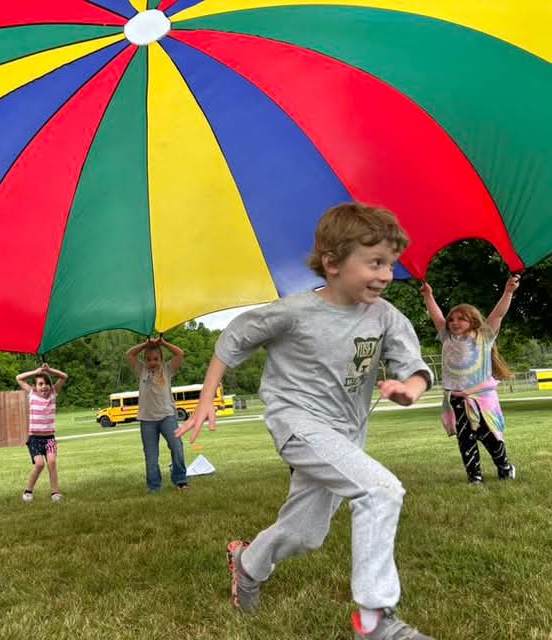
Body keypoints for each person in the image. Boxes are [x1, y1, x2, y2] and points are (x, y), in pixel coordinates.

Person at [176, 203, 435, 640]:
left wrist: (410, 389)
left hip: (346, 433)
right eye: (374, 263)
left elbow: (414, 365)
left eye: (390, 264)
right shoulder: (294, 312)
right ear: (333, 263)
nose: (387, 275)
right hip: (297, 423)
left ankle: (247, 565)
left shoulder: (386, 316)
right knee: (380, 490)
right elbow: (233, 338)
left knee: (305, 534)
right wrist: (205, 399)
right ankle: (374, 622)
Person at [420, 276, 519, 485]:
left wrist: (508, 292)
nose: (454, 322)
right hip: (457, 398)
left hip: (481, 398)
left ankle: (504, 466)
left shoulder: (484, 336)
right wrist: (428, 296)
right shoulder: (446, 337)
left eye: (461, 318)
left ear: (473, 321)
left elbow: (498, 314)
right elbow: (436, 316)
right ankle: (474, 476)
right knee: (465, 438)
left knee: (489, 436)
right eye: (452, 319)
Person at [126, 337, 188, 492]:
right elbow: (129, 354)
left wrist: (163, 343)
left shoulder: (167, 370)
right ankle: (154, 486)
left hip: (167, 416)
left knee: (177, 447)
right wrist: (146, 345)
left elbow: (180, 354)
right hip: (147, 420)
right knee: (151, 456)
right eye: (148, 359)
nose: (152, 362)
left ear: (161, 359)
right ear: (144, 361)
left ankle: (180, 480)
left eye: (155, 359)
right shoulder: (141, 371)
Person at [16, 363, 67, 502]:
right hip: (34, 438)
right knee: (39, 464)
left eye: (46, 383)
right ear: (35, 386)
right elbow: (19, 378)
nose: (44, 386)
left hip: (49, 438)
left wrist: (49, 370)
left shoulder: (53, 394)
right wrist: (36, 372)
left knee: (52, 462)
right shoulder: (32, 394)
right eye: (40, 384)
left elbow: (64, 376)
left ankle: (55, 493)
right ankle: (28, 491)